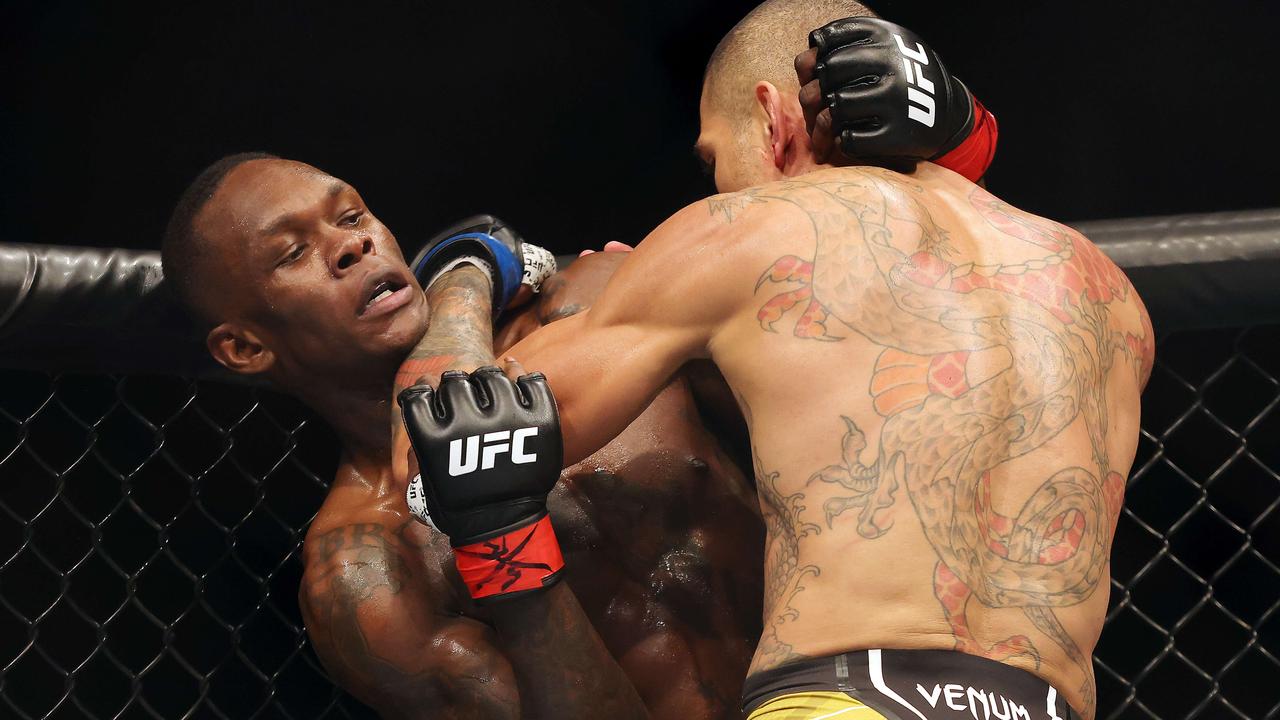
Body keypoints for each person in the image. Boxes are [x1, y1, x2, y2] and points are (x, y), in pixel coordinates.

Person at [398, 1, 1153, 719]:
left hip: (846, 693)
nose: (719, 183)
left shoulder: (749, 231)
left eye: (715, 158)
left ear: (772, 116)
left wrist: (464, 278)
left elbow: (445, 446)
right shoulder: (1107, 294)